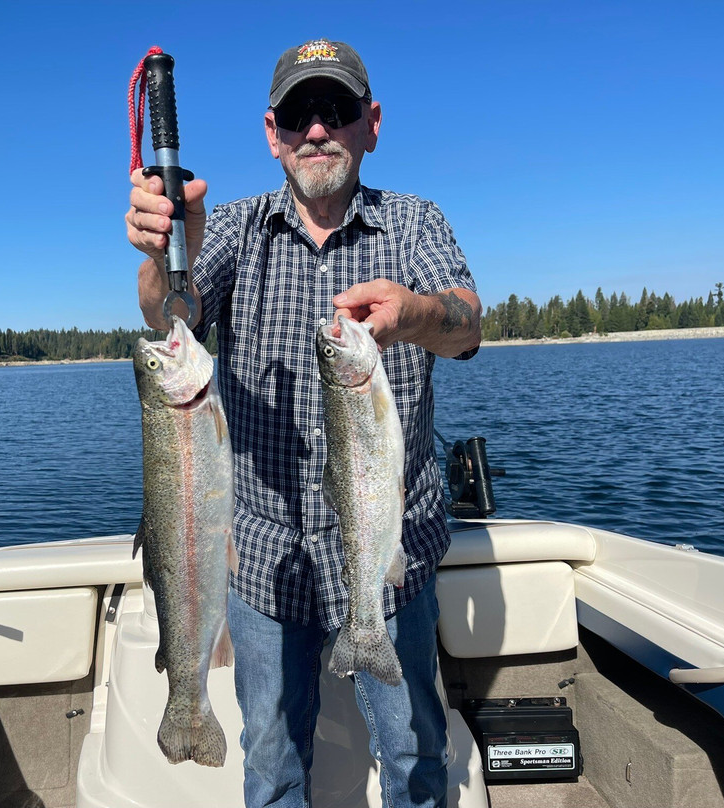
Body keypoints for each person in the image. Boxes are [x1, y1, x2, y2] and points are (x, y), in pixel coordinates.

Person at [126, 38, 481, 808]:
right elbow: (173, 319)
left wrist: (417, 313)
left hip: (397, 556)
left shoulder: (416, 223)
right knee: (271, 762)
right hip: (262, 565)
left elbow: (468, 329)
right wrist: (166, 248)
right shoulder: (230, 228)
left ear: (371, 123)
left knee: (418, 756)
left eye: (336, 109)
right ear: (271, 132)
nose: (316, 129)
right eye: (297, 114)